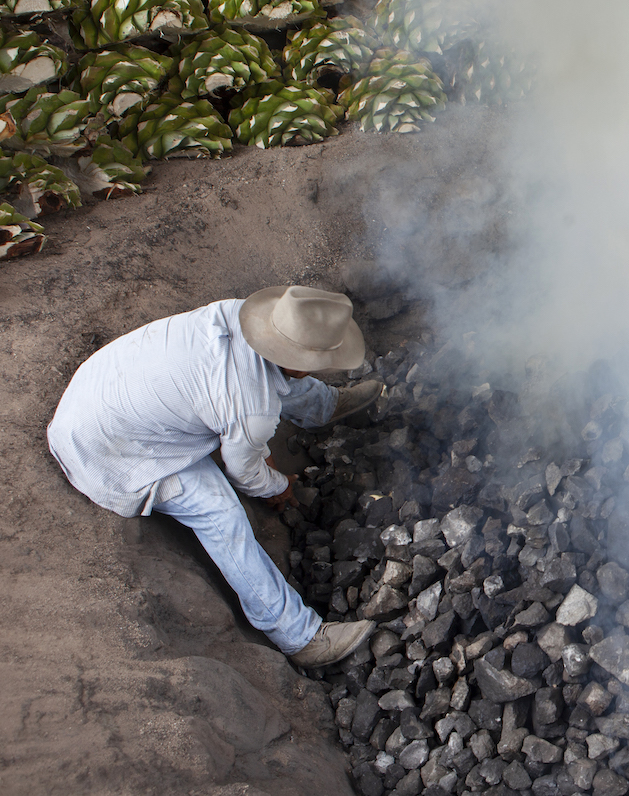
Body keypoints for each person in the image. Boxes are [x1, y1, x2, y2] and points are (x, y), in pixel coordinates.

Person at [48, 285, 385, 667]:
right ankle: (299, 637)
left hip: (101, 386)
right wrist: (279, 485)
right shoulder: (250, 405)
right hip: (110, 449)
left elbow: (270, 380)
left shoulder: (243, 317)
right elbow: (243, 473)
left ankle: (327, 406)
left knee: (272, 380)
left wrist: (256, 446)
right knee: (220, 512)